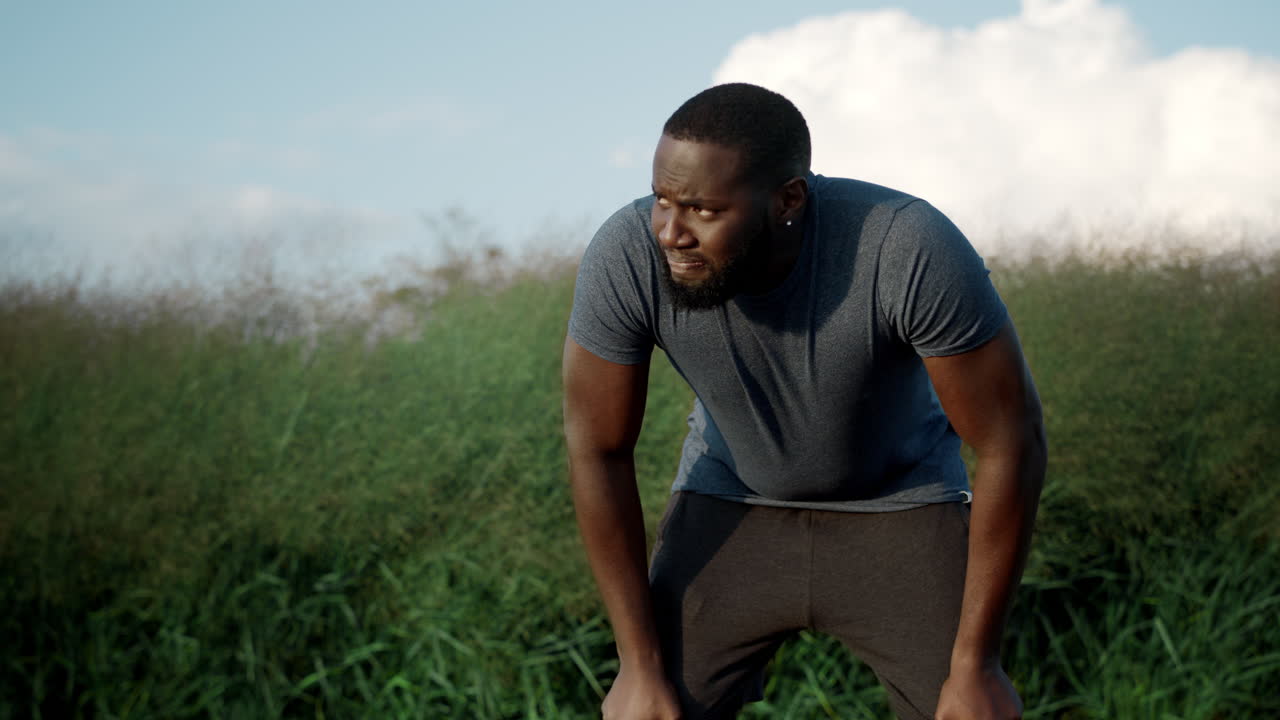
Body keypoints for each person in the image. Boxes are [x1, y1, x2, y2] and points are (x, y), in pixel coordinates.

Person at [561, 82, 1046, 720]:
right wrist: (637, 666)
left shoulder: (905, 246)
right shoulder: (627, 255)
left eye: (704, 210)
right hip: (731, 505)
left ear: (787, 198)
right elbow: (598, 449)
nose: (671, 233)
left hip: (899, 508)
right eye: (661, 200)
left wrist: (976, 664)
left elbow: (1010, 440)